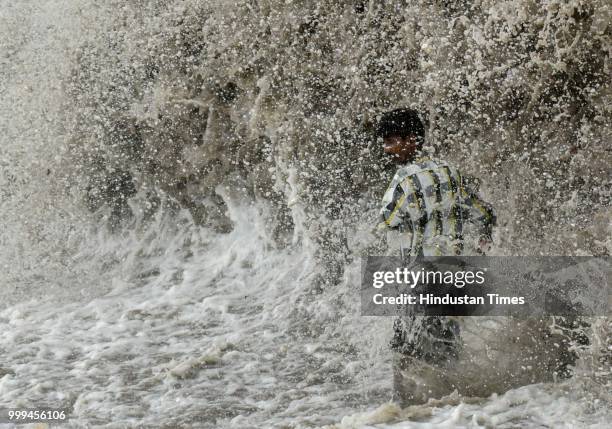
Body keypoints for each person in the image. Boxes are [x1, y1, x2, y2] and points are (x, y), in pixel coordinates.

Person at [376, 108, 496, 405]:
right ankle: (454, 412)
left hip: (420, 280)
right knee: (447, 347)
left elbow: (386, 221)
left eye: (393, 141)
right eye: (386, 141)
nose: (388, 148)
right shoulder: (450, 172)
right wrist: (481, 245)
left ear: (413, 140)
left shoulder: (402, 181)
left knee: (404, 349)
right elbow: (484, 213)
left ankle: (404, 411)